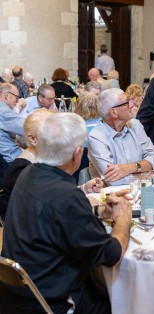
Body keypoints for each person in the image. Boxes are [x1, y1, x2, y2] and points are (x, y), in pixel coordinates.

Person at [1, 112, 131, 313]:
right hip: (53, 303)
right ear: (77, 153)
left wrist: (98, 211)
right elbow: (111, 254)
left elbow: (53, 219)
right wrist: (123, 217)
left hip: (18, 296)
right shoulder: (65, 195)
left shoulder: (28, 173)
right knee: (129, 303)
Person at [0, 109, 103, 220]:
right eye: (49, 132)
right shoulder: (22, 169)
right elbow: (51, 208)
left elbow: (54, 195)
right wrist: (97, 211)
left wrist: (83, 189)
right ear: (33, 139)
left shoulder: (46, 161)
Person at [88, 88, 154, 185]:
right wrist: (147, 175)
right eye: (126, 102)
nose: (132, 105)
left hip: (141, 192)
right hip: (111, 196)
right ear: (114, 112)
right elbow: (113, 181)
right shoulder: (96, 137)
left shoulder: (135, 125)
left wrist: (129, 168)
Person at [74, 92, 102, 180]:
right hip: (99, 172)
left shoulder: (74, 127)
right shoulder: (104, 126)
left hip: (77, 170)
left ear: (78, 106)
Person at [0, 83, 25, 164]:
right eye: (16, 97)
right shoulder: (4, 111)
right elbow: (26, 128)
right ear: (7, 96)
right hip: (9, 157)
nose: (17, 101)